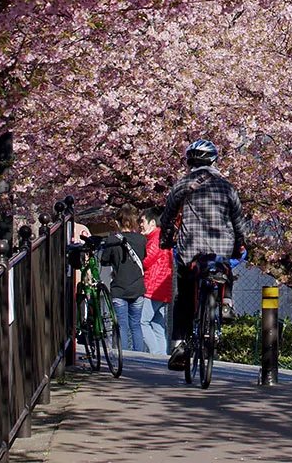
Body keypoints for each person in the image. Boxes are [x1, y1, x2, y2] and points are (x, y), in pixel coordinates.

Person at [159, 138, 249, 370]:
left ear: (190, 161)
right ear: (213, 160)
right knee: (223, 267)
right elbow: (238, 221)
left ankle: (179, 344)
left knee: (184, 297)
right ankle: (226, 302)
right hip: (221, 248)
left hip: (191, 250)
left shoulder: (182, 185)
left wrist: (165, 240)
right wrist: (240, 243)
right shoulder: (227, 186)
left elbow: (167, 217)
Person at [98, 214, 149, 355]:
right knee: (136, 325)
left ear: (118, 222)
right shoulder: (141, 239)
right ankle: (140, 356)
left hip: (119, 288)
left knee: (122, 325)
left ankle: (124, 356)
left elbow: (104, 260)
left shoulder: (113, 240)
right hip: (138, 287)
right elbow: (144, 257)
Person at [139, 212, 172, 353]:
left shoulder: (155, 238)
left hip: (153, 287)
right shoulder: (162, 237)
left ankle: (155, 354)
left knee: (142, 322)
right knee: (157, 323)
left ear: (152, 223)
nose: (140, 225)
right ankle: (162, 355)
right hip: (164, 288)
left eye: (142, 221)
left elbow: (147, 260)